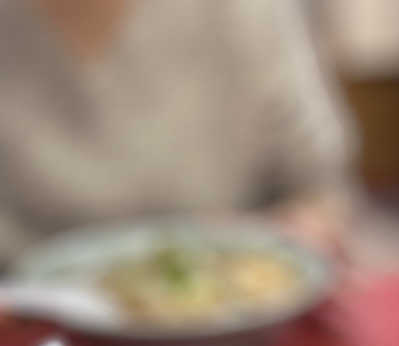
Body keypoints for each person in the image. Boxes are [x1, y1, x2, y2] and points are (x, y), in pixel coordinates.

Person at [0, 0, 358, 265]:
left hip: (231, 332)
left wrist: (296, 238)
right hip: (22, 334)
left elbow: (320, 187)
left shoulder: (247, 12)